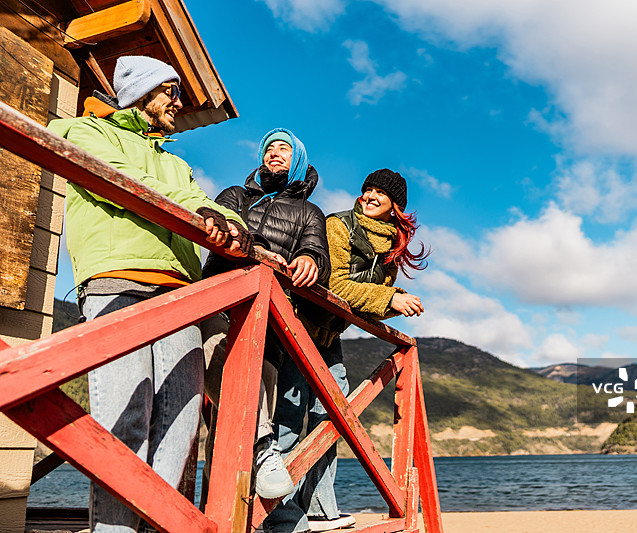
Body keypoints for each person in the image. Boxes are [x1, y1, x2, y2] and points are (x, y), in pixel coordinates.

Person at [48, 55, 253, 533]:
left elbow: (209, 205)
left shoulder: (176, 162)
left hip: (181, 294)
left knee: (178, 430)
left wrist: (238, 230)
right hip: (116, 279)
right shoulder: (85, 132)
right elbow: (128, 183)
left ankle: (156, 527)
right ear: (143, 92)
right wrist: (201, 211)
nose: (178, 102)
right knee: (127, 422)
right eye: (171, 91)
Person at [266, 168, 428, 533]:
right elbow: (336, 284)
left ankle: (322, 510)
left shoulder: (392, 246)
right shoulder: (340, 225)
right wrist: (392, 298)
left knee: (335, 420)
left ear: (395, 206)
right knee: (290, 420)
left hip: (330, 339)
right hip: (299, 327)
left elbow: (368, 302)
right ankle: (279, 517)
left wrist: (392, 301)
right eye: (367, 189)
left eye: (379, 193)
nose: (369, 196)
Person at [201, 128, 331, 505]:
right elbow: (226, 227)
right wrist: (257, 250)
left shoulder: (309, 212)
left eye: (284, 149)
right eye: (269, 148)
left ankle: (218, 515)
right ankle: (263, 447)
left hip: (270, 320)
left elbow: (316, 252)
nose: (275, 153)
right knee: (235, 421)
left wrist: (310, 261)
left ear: (299, 160)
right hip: (218, 303)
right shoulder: (235, 195)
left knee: (226, 427)